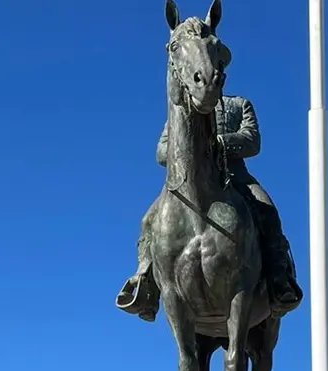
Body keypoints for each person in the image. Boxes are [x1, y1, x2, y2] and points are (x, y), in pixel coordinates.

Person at [116, 91, 303, 323]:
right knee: (149, 221)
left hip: (235, 177)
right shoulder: (181, 111)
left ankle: (278, 279)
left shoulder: (239, 105)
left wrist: (219, 143)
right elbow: (162, 152)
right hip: (188, 181)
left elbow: (252, 140)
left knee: (268, 211)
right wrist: (191, 146)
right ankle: (145, 284)